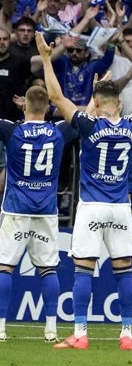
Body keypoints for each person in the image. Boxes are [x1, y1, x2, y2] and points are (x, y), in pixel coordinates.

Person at [38, 33, 132, 351]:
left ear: (97, 102)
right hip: (120, 207)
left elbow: (56, 96)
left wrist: (47, 59)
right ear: (119, 103)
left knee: (83, 270)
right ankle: (127, 334)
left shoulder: (89, 124)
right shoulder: (131, 125)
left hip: (91, 206)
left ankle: (80, 333)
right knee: (124, 271)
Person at [0, 84, 79, 344]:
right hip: (46, 211)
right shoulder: (59, 131)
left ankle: (0, 328)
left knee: (5, 268)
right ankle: (51, 329)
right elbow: (85, 116)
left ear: (24, 106)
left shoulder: (12, 130)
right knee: (48, 269)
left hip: (15, 208)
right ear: (48, 108)